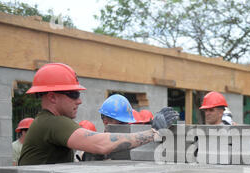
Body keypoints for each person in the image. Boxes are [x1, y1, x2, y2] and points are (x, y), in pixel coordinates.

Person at [18, 63, 179, 166]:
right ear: (52, 97)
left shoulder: (46, 122)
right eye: (73, 94)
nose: (79, 101)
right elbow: (101, 144)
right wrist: (154, 133)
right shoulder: (53, 123)